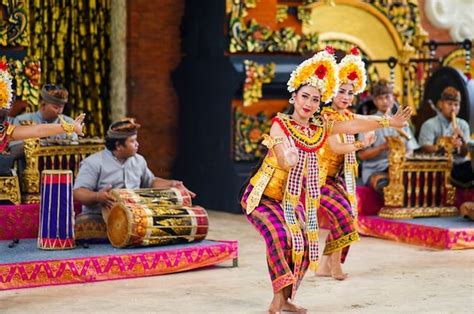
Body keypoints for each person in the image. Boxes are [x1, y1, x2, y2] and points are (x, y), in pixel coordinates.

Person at [239, 47, 411, 313]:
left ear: (320, 104)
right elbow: (281, 151)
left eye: (315, 99)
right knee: (280, 236)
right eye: (304, 96)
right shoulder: (280, 123)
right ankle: (277, 298)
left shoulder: (320, 126)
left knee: (307, 243)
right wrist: (288, 158)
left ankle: (287, 298)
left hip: (291, 201)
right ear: (294, 97)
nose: (309, 103)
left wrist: (388, 122)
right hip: (262, 197)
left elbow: (355, 123)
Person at [316, 47, 377, 281]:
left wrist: (387, 123)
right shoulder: (326, 116)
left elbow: (367, 121)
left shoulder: (348, 116)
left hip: (337, 179)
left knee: (348, 215)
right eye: (341, 91)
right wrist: (362, 145)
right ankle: (334, 265)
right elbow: (336, 147)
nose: (346, 97)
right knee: (343, 216)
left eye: (350, 93)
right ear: (331, 92)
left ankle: (325, 265)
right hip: (317, 179)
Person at [73, 117, 195, 222]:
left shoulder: (139, 160)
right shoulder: (94, 162)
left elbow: (150, 182)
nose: (137, 144)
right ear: (118, 146)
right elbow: (78, 192)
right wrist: (97, 197)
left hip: (134, 217)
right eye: (132, 141)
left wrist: (172, 184)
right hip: (100, 217)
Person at [0, 61, 85, 156]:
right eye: (55, 107)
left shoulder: (4, 129)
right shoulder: (22, 120)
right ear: (43, 104)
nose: (59, 111)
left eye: (62, 107)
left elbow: (39, 130)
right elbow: (14, 150)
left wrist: (72, 127)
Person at [357, 79, 419, 193]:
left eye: (387, 97)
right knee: (385, 185)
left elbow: (411, 150)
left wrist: (403, 157)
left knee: (417, 182)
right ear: (375, 101)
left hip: (400, 168)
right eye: (380, 98)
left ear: (393, 98)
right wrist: (383, 147)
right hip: (376, 170)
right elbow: (361, 156)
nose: (384, 101)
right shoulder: (369, 122)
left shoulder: (401, 121)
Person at [418, 86, 473, 187]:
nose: (453, 108)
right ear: (440, 104)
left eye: (456, 105)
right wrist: (448, 146)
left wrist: (462, 140)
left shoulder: (463, 125)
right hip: (439, 166)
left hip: (460, 166)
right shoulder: (429, 124)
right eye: (449, 104)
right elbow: (425, 148)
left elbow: (464, 153)